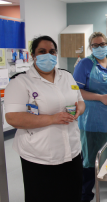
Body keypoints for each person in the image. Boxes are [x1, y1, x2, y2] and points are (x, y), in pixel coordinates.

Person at [4, 36, 85, 202]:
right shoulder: (20, 82)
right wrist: (52, 119)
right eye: (42, 51)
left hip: (72, 150)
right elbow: (12, 118)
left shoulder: (67, 77)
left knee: (72, 195)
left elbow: (80, 100)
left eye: (52, 51)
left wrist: (79, 110)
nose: (48, 55)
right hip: (39, 155)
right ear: (33, 55)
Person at [73, 32, 107, 202]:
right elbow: (76, 91)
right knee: (91, 157)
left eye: (102, 44)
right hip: (94, 120)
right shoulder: (84, 64)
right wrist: (100, 98)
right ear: (91, 47)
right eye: (95, 45)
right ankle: (86, 193)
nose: (100, 47)